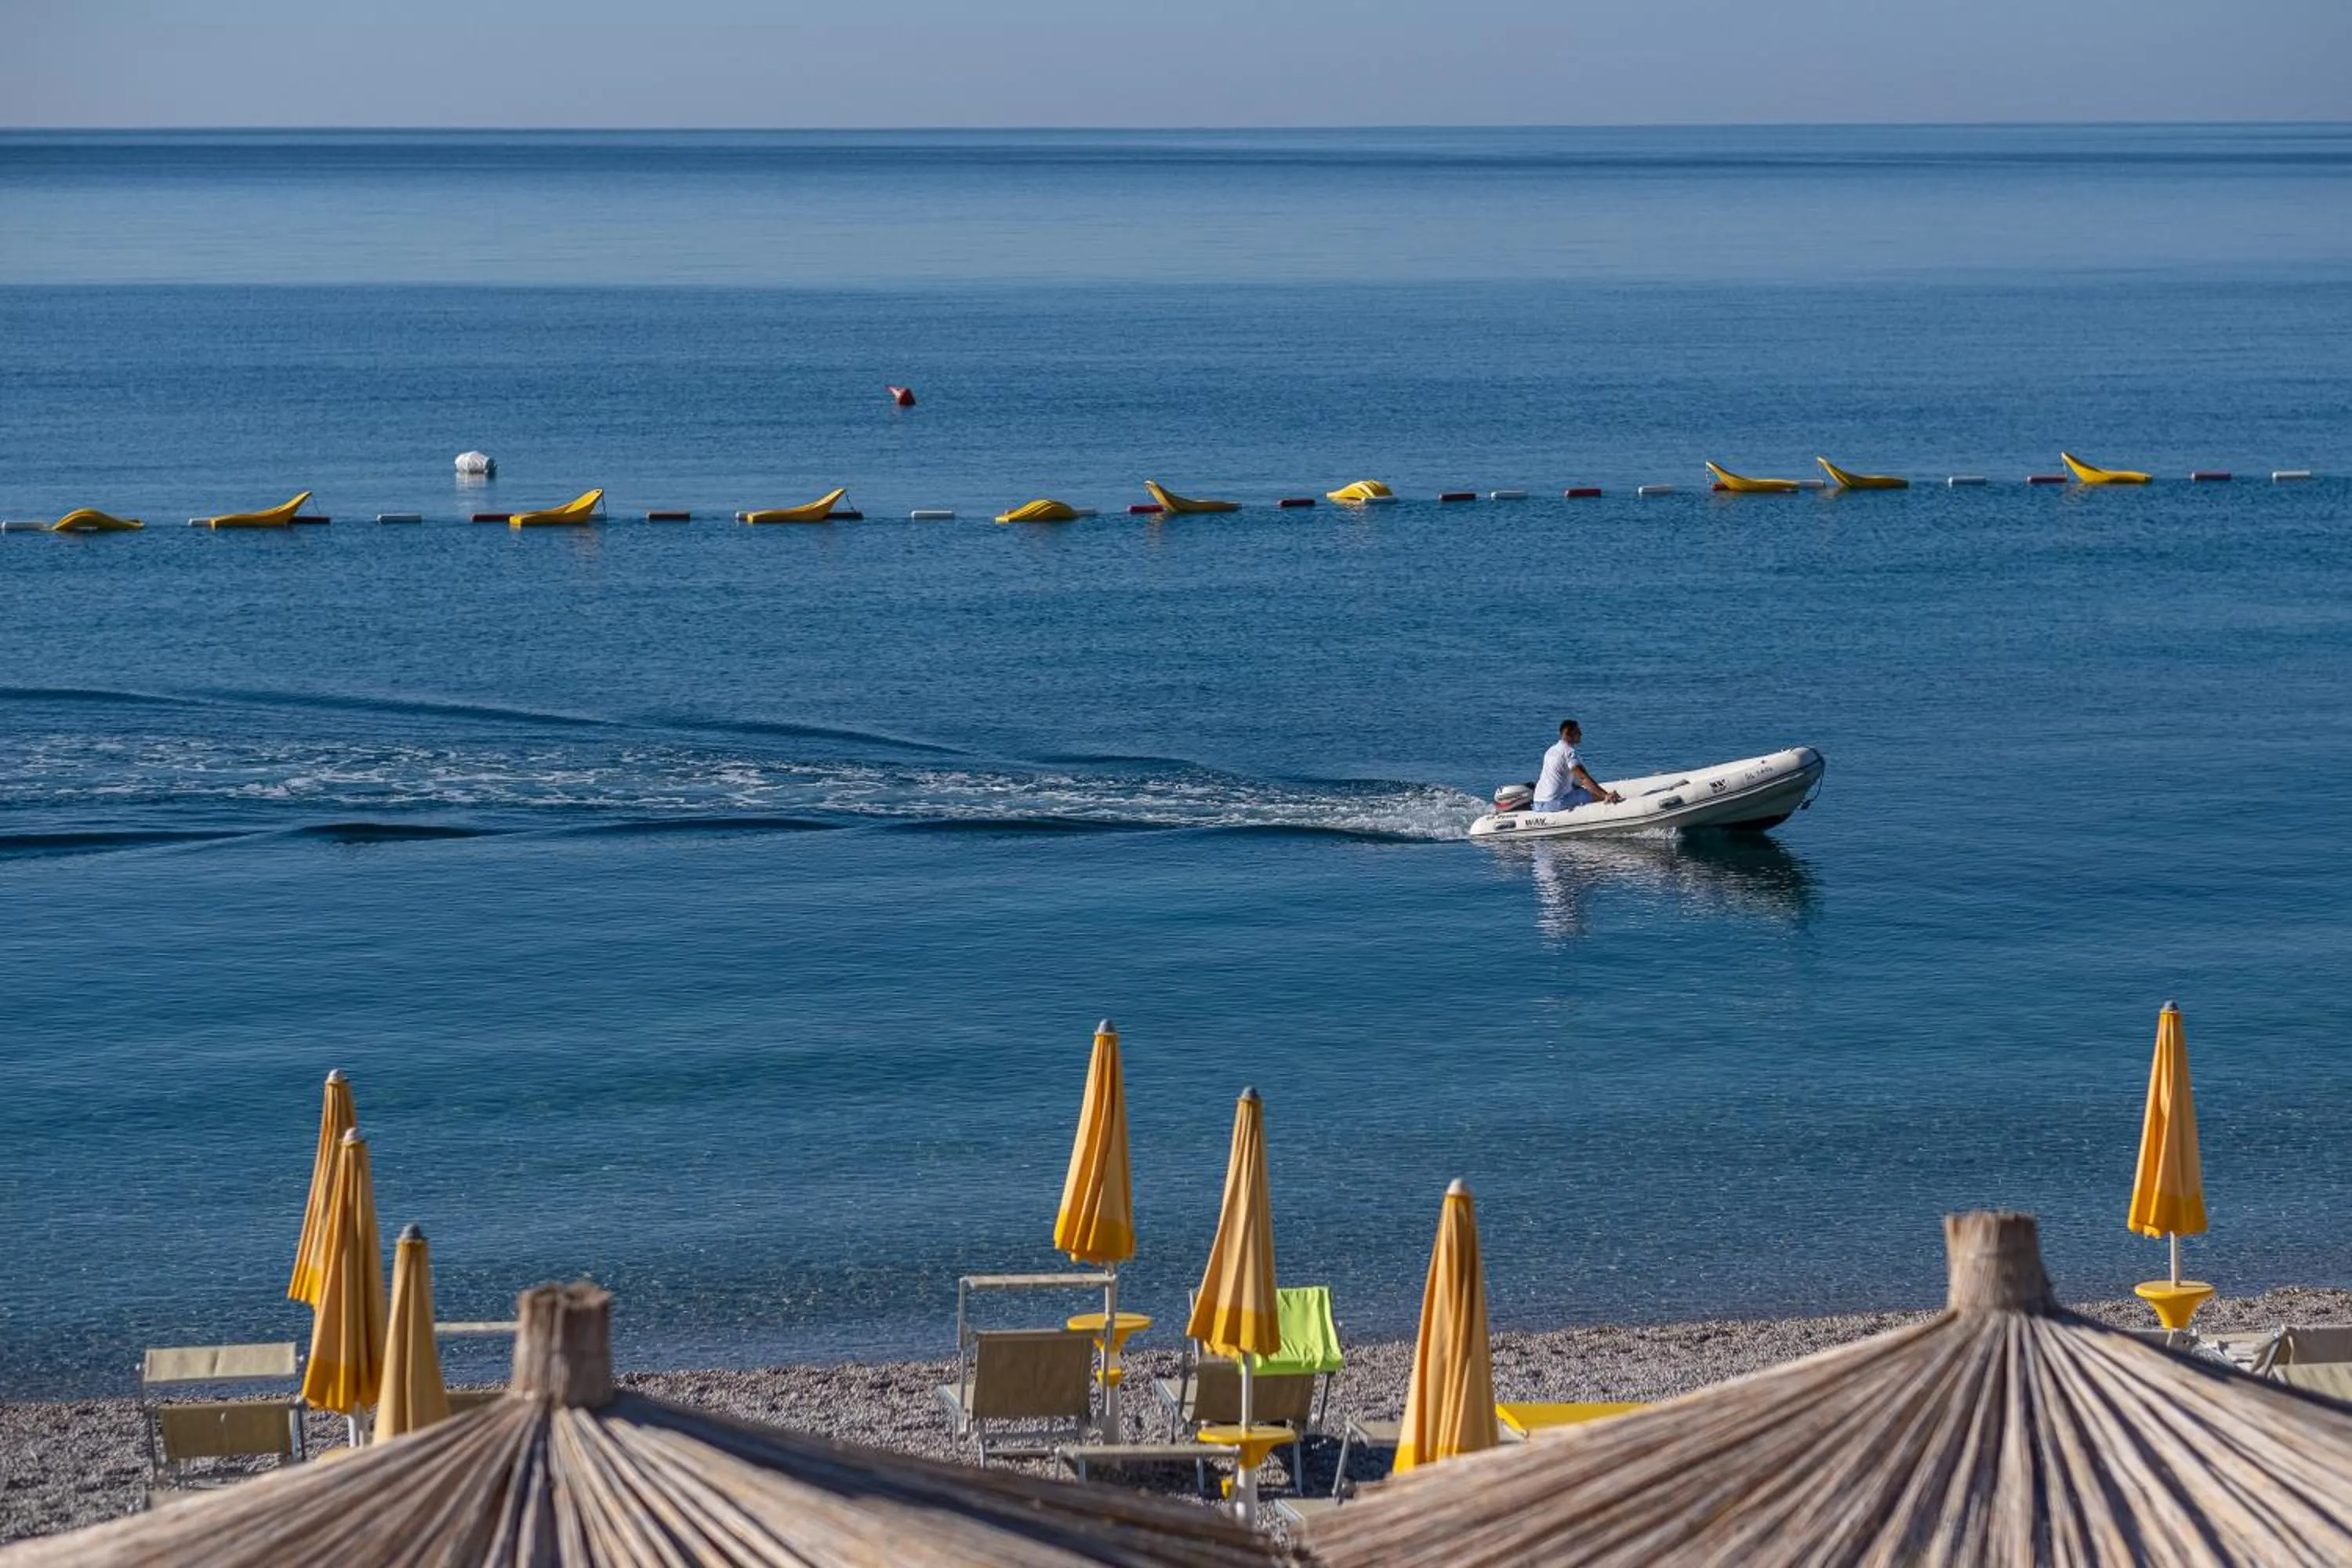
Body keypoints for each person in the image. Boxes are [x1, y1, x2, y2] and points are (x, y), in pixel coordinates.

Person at [1534, 719, 1621, 812]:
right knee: (1595, 795)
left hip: (1538, 803)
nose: (1581, 734)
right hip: (1555, 803)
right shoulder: (1569, 752)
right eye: (1578, 732)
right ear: (1569, 734)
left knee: (1581, 790)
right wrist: (1605, 795)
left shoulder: (1550, 751)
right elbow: (1583, 778)